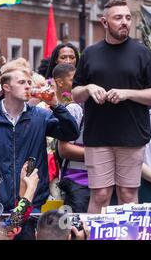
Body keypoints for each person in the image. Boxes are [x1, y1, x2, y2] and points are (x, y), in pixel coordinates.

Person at [72, 0, 151, 213]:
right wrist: (89, 88)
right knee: (101, 194)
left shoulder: (142, 53)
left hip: (132, 134)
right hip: (98, 136)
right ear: (104, 22)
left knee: (127, 194)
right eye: (118, 18)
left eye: (128, 18)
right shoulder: (90, 53)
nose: (124, 22)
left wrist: (127, 93)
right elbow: (75, 94)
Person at [0, 65, 79, 238]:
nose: (27, 86)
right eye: (21, 82)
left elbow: (71, 132)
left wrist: (55, 104)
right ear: (6, 87)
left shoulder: (40, 116)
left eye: (29, 82)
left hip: (32, 206)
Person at [53, 64, 90, 213]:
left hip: (101, 180)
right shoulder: (74, 108)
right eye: (74, 80)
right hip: (77, 181)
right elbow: (64, 149)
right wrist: (101, 155)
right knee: (76, 228)